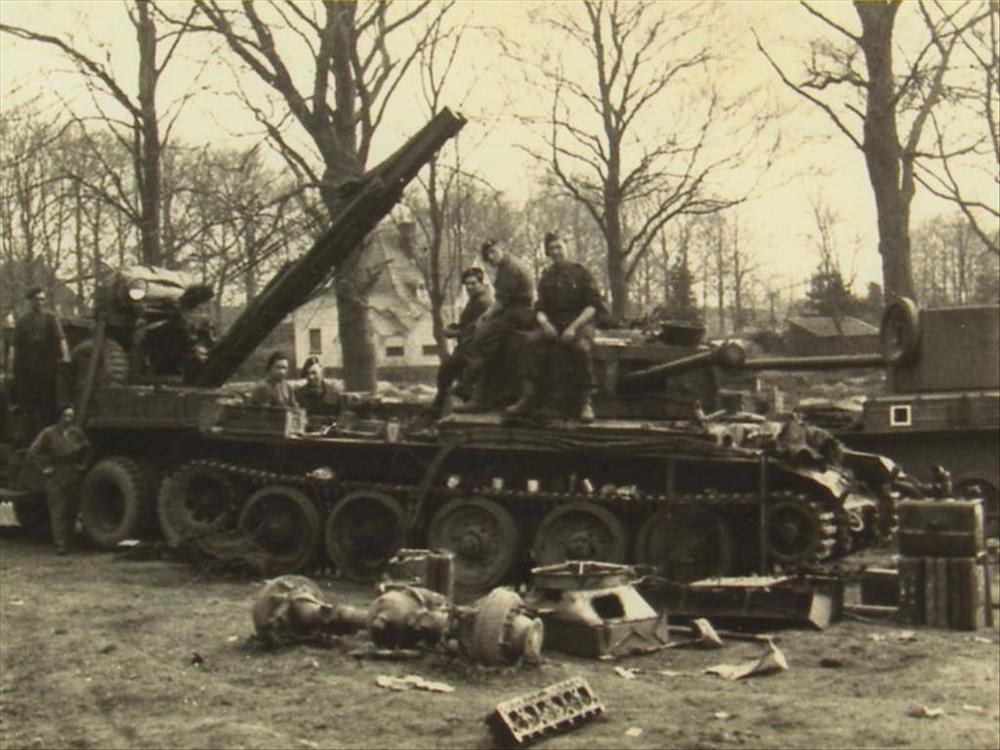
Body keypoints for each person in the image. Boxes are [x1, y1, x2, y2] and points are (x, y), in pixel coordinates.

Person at [507, 231, 606, 422]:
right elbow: (540, 307)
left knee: (581, 348)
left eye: (559, 247)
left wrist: (573, 328)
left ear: (567, 247)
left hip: (580, 321)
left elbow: (593, 305)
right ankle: (528, 397)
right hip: (554, 322)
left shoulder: (581, 272)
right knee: (530, 342)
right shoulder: (547, 277)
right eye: (551, 248)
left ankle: (585, 402)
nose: (555, 252)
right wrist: (545, 324)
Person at [453, 240, 536, 412]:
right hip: (513, 311)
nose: (491, 257)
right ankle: (473, 388)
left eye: (494, 252)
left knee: (480, 339)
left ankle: (473, 390)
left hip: (518, 313)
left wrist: (485, 317)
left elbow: (500, 302)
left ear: (501, 249)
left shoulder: (510, 268)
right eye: (488, 254)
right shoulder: (507, 266)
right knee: (483, 339)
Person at [27, 402, 91, 555]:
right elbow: (32, 453)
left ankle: (70, 542)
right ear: (59, 417)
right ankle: (60, 545)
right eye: (66, 416)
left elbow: (88, 449)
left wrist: (83, 465)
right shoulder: (48, 433)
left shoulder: (76, 433)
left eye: (71, 416)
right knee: (58, 510)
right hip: (56, 473)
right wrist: (44, 468)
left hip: (73, 472)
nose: (69, 419)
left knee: (72, 509)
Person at [430, 267, 493, 416]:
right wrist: (455, 327)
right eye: (467, 284)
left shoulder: (484, 302)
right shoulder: (474, 300)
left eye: (473, 283)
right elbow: (467, 323)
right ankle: (441, 403)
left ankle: (439, 404)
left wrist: (455, 332)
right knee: (448, 370)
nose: (469, 287)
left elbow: (476, 327)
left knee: (448, 368)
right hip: (468, 344)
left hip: (476, 347)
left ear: (481, 283)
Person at [9, 286, 70, 435]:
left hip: (46, 366)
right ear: (30, 301)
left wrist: (66, 358)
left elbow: (61, 339)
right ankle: (28, 436)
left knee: (48, 403)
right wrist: (11, 368)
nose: (40, 302)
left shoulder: (50, 318)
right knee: (27, 405)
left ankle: (47, 435)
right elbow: (14, 346)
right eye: (36, 299)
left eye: (42, 299)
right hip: (27, 367)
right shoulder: (22, 320)